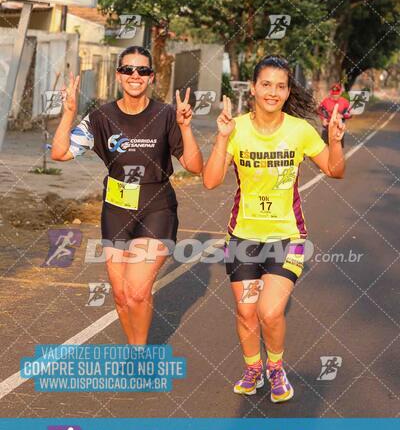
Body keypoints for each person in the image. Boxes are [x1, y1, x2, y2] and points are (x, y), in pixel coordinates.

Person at [203, 55, 345, 403]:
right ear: (253, 88)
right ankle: (253, 367)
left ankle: (276, 368)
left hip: (288, 237)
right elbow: (210, 181)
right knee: (246, 311)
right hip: (243, 239)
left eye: (280, 86)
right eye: (266, 84)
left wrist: (335, 139)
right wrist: (222, 139)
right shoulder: (234, 128)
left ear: (287, 91)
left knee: (269, 311)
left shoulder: (299, 131)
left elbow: (335, 170)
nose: (273, 92)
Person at [51, 46, 203, 345]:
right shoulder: (100, 117)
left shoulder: (166, 115)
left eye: (143, 71)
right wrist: (68, 113)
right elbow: (59, 153)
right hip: (116, 210)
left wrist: (186, 128)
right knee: (121, 295)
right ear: (119, 75)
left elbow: (196, 167)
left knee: (136, 291)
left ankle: (139, 351)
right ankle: (135, 349)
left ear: (151, 77)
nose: (136, 75)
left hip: (156, 208)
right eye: (129, 70)